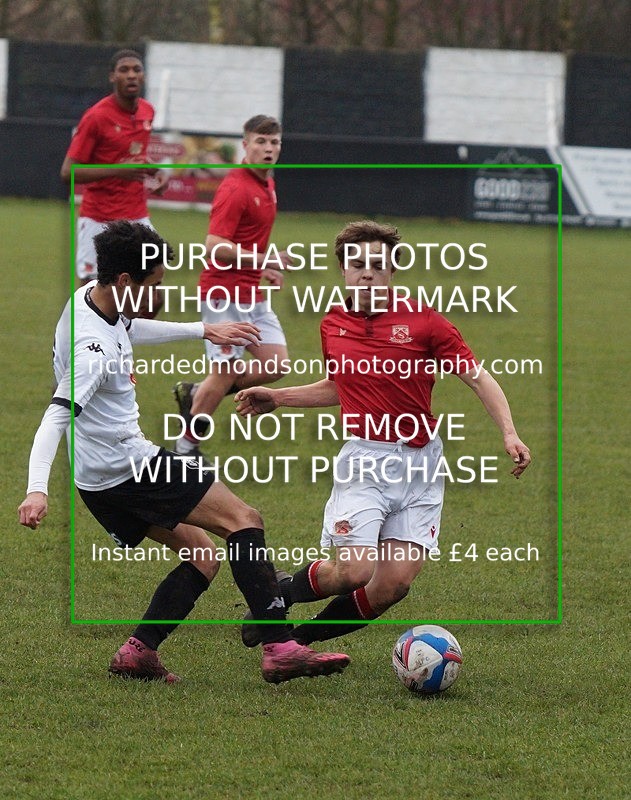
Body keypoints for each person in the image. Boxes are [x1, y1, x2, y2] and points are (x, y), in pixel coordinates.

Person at [17, 220, 349, 684]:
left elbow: (131, 328)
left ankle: (138, 652)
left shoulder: (94, 296)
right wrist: (37, 491)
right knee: (244, 518)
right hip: (130, 467)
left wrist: (205, 330)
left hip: (96, 479)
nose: (162, 292)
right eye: (155, 285)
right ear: (127, 281)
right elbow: (55, 416)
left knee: (202, 555)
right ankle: (280, 647)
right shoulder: (90, 351)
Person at [235, 220, 531, 647]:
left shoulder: (426, 322)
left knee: (391, 586)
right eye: (357, 263)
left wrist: (509, 433)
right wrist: (279, 397)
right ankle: (279, 597)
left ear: (393, 270)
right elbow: (341, 386)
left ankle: (294, 640)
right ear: (343, 269)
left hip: (421, 465)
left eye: (378, 263)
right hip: (366, 462)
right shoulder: (332, 324)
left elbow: (478, 378)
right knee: (354, 571)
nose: (367, 272)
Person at [173, 114, 292, 459]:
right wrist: (264, 260)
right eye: (261, 142)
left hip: (250, 293)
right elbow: (214, 244)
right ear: (245, 145)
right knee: (224, 372)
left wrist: (264, 268)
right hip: (223, 294)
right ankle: (185, 449)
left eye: (274, 143)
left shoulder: (266, 183)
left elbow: (248, 241)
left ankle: (196, 393)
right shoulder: (235, 187)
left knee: (276, 364)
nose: (268, 149)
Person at [60, 49, 168, 286]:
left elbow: (136, 156)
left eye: (136, 70)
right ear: (112, 77)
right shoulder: (96, 117)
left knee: (154, 291)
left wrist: (158, 173)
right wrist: (117, 170)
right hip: (99, 217)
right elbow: (68, 173)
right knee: (91, 290)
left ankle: (129, 325)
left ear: (144, 77)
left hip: (136, 215)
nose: (131, 75)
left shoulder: (147, 111)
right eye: (124, 70)